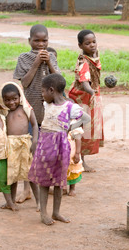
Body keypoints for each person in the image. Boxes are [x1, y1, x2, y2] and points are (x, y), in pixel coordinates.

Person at [28, 73, 90, 225]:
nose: (42, 96)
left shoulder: (70, 107)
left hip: (61, 148)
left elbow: (86, 118)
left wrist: (69, 127)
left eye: (43, 92)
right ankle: (44, 214)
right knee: (44, 181)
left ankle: (56, 212)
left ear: (51, 90)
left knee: (58, 181)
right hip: (45, 147)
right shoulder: (46, 104)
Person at [13, 24, 61, 202]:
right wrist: (35, 63)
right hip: (31, 111)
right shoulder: (24, 58)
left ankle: (45, 183)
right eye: (37, 41)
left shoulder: (52, 57)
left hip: (50, 113)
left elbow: (59, 81)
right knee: (29, 151)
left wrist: (49, 62)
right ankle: (26, 189)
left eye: (44, 40)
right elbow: (24, 83)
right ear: (29, 41)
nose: (41, 44)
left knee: (48, 152)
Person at [0, 81, 40, 211]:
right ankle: (11, 202)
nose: (11, 102)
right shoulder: (5, 112)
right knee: (13, 175)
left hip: (25, 144)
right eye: (7, 100)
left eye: (14, 99)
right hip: (11, 145)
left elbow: (34, 124)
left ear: (20, 97)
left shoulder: (25, 109)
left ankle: (39, 202)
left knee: (31, 175)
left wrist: (34, 141)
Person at [68, 29, 104, 172]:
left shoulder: (93, 56)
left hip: (90, 96)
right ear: (80, 45)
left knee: (87, 128)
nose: (92, 45)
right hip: (83, 97)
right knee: (81, 129)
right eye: (88, 43)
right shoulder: (83, 62)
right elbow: (84, 83)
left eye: (94, 42)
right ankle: (79, 161)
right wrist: (92, 92)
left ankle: (80, 160)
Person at [64, 127, 84, 196]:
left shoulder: (75, 128)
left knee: (73, 171)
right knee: (62, 172)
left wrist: (77, 153)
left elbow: (78, 140)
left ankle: (72, 188)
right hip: (63, 156)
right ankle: (63, 188)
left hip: (72, 156)